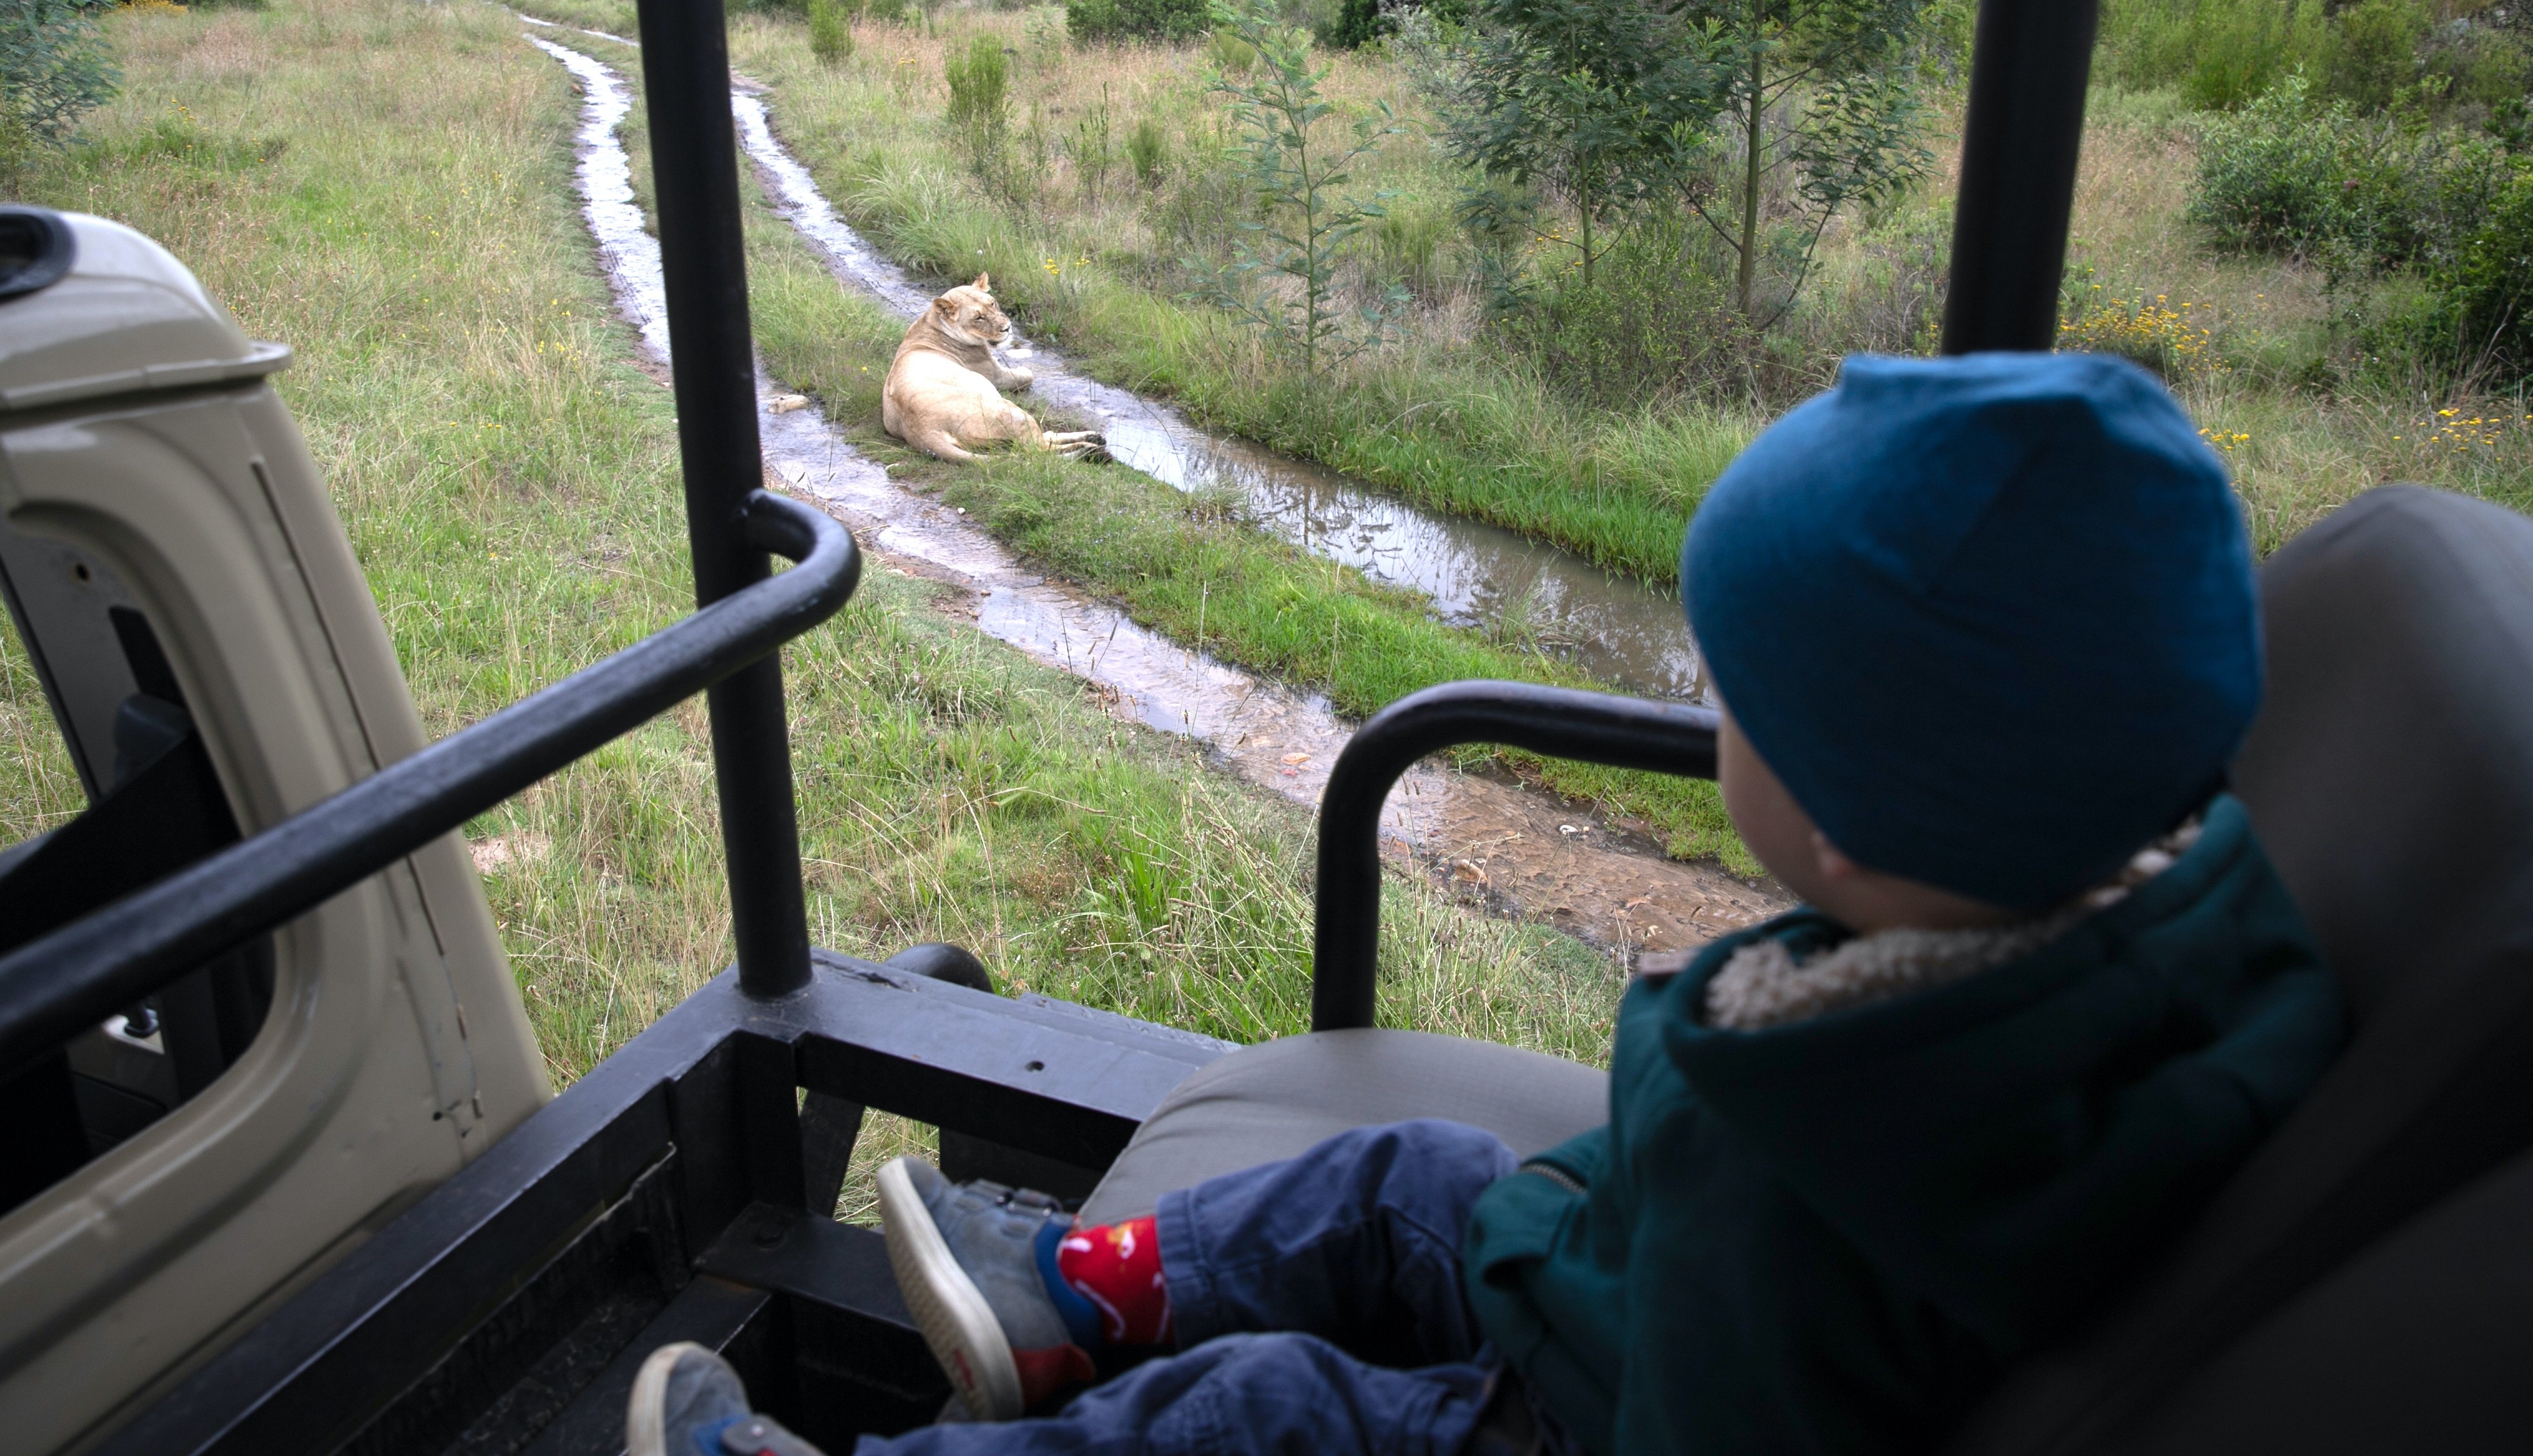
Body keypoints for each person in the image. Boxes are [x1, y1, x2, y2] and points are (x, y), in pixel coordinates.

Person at [628, 354, 2347, 1456]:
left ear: (1837, 814)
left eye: (1735, 691)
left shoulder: (1829, 1144)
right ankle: (1078, 1299)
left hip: (1582, 1410)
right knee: (1418, 1174)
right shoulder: (2116, 940)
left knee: (1267, 1413)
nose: (1713, 717)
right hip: (1616, 1278)